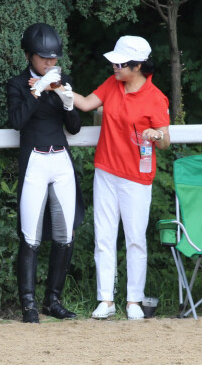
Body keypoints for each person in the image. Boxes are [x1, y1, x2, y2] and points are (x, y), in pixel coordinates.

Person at [72, 35, 170, 320]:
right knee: (104, 237)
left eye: (120, 62)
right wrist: (58, 89)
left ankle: (134, 302)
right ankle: (106, 300)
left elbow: (165, 141)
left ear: (137, 66)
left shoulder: (156, 98)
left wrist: (157, 135)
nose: (114, 66)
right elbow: (87, 103)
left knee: (135, 239)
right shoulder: (112, 83)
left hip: (136, 179)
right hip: (105, 171)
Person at [6, 23, 85, 323]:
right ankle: (28, 304)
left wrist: (68, 103)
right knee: (30, 235)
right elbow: (16, 121)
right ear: (29, 56)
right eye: (44, 58)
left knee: (65, 236)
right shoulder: (17, 84)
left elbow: (74, 127)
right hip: (35, 160)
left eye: (53, 58)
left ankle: (53, 299)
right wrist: (35, 92)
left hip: (60, 159)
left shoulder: (62, 81)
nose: (51, 63)